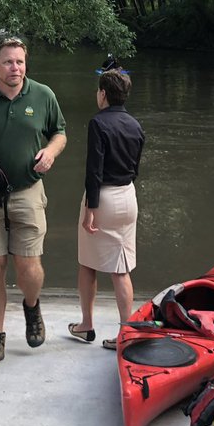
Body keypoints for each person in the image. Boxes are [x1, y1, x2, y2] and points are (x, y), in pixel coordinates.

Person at [0, 36, 67, 368]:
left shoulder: (43, 95)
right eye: (7, 61)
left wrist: (50, 151)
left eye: (19, 61)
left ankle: (31, 306)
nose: (14, 68)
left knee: (28, 266)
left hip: (28, 191)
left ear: (25, 64)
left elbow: (59, 133)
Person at [68, 69, 145, 350]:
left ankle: (86, 324)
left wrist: (91, 206)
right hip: (128, 196)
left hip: (104, 198)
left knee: (88, 263)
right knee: (121, 268)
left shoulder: (98, 123)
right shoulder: (136, 125)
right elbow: (135, 167)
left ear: (103, 93)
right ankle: (127, 332)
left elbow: (94, 169)